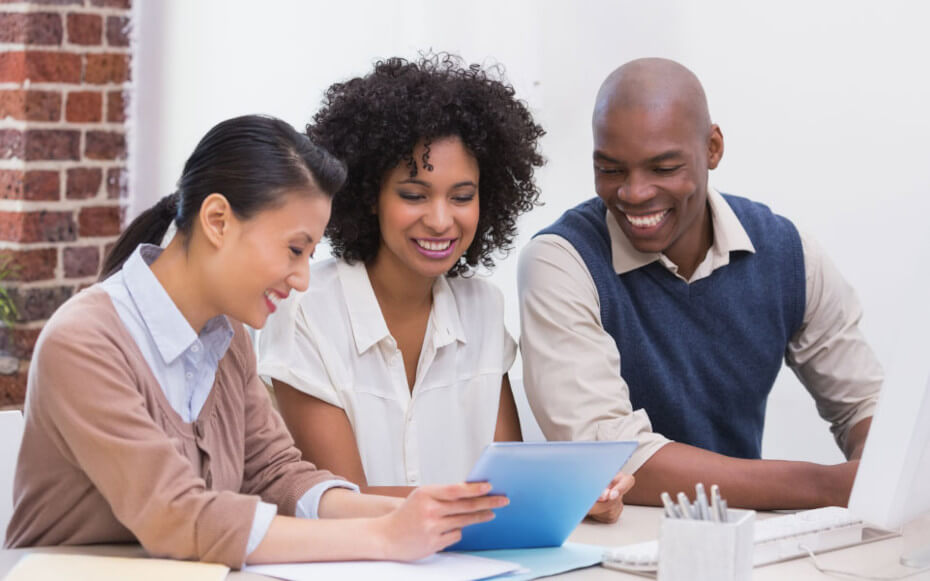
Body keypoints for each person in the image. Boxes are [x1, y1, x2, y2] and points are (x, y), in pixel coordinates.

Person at [4, 115, 506, 568]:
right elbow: (175, 516)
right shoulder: (85, 342)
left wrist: (421, 512)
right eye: (294, 249)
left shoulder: (229, 338)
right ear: (217, 221)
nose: (303, 278)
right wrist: (380, 536)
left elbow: (276, 475)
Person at [258, 55, 634, 523]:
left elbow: (508, 482)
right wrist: (518, 498)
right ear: (369, 196)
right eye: (414, 195)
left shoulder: (481, 308)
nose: (440, 220)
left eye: (461, 196)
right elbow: (342, 500)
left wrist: (581, 494)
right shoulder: (306, 310)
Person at [518, 58, 882, 509]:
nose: (634, 193)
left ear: (712, 148)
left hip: (745, 543)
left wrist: (877, 474)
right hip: (617, 552)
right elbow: (608, 456)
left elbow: (865, 405)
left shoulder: (788, 254)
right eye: (611, 170)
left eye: (664, 168)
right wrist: (830, 486)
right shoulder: (562, 261)